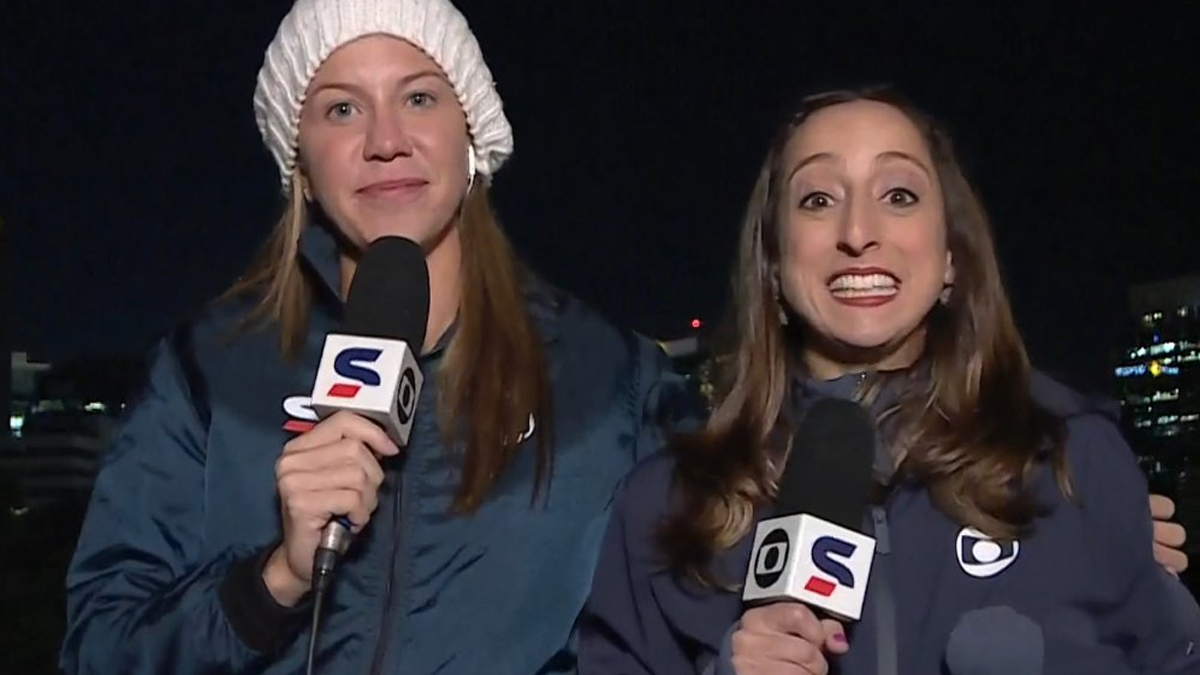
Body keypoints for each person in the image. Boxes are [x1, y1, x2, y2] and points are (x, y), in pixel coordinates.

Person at [57, 1, 697, 673]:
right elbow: (102, 650)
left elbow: (684, 638)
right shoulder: (205, 371)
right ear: (299, 158)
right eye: (342, 109)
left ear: (472, 131)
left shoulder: (614, 382)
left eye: (419, 97)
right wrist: (275, 579)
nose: (385, 139)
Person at [577, 86, 1200, 675]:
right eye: (817, 199)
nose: (858, 233)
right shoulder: (665, 506)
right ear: (771, 262)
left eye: (898, 194)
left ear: (952, 255)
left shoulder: (1072, 459)